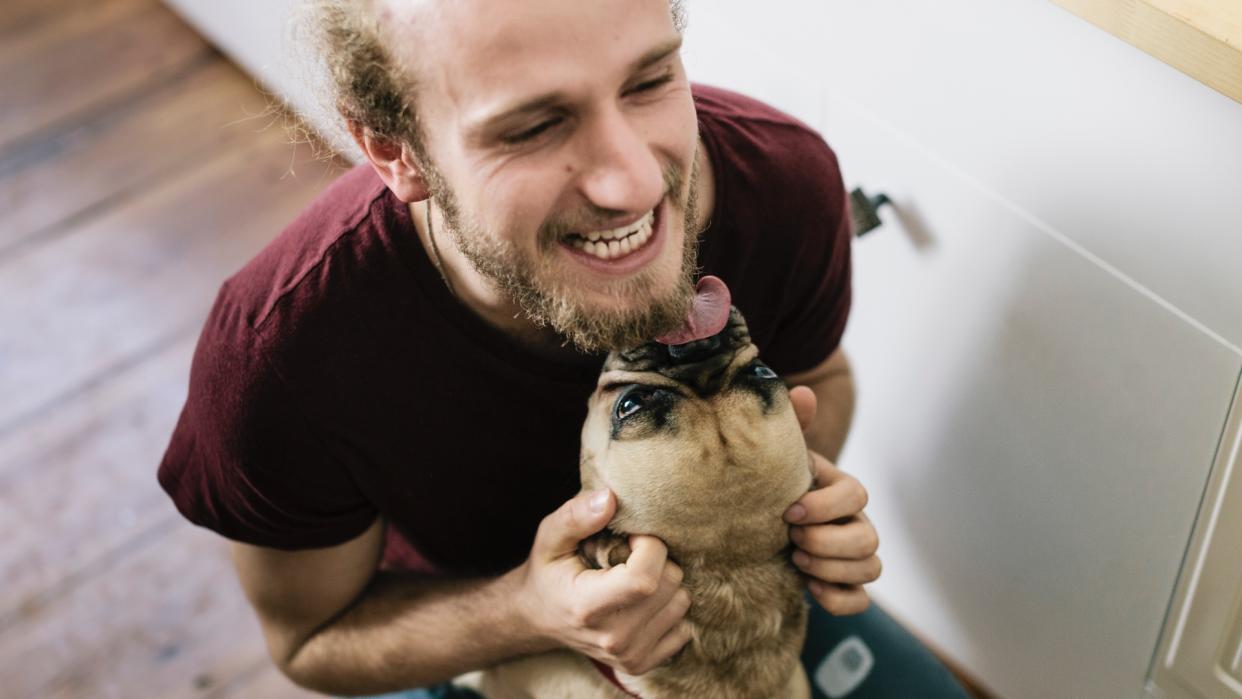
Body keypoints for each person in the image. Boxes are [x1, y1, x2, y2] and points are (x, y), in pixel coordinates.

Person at [158, 0, 970, 697]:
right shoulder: (282, 357)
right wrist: (525, 611)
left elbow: (823, 377)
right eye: (534, 126)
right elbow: (308, 640)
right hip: (460, 629)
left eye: (649, 80)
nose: (634, 185)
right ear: (396, 153)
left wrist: (786, 504)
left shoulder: (786, 185)